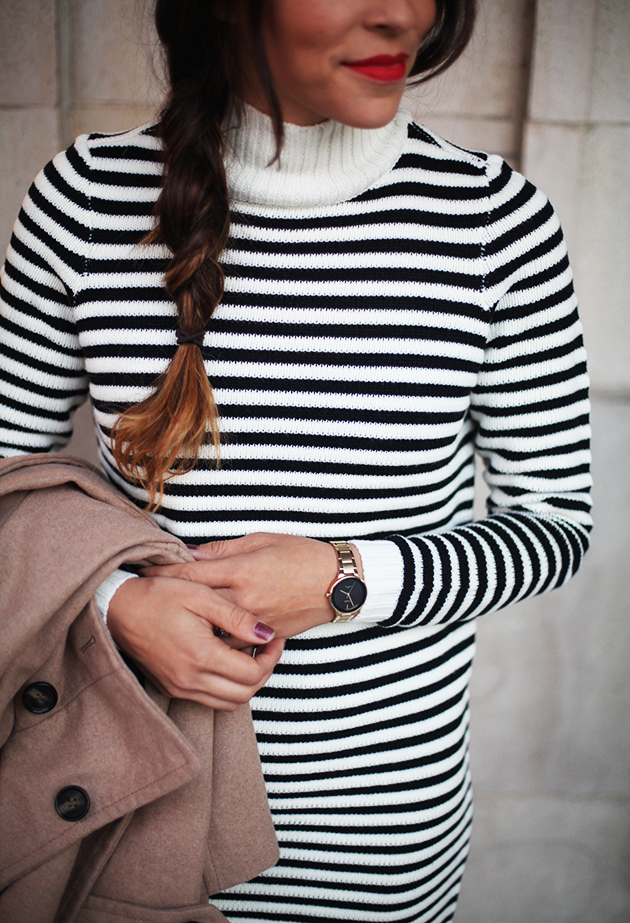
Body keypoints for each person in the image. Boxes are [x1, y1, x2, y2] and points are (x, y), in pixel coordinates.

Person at [0, 0, 592, 920]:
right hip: (125, 800)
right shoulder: (83, 199)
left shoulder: (491, 221)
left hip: (380, 832)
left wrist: (348, 577)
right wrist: (117, 603)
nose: (403, 16)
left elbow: (557, 527)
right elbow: (6, 488)